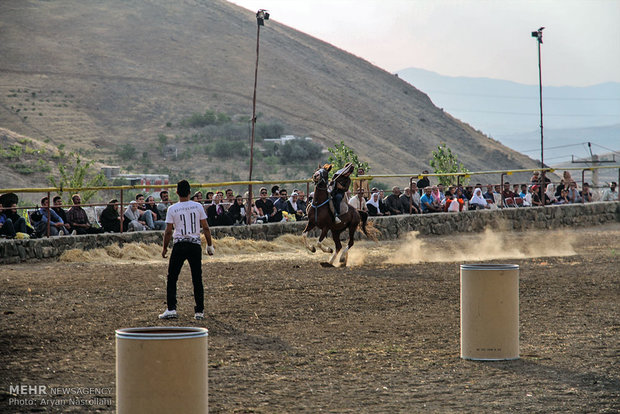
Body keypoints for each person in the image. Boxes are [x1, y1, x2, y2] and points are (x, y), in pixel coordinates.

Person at [159, 179, 214, 320]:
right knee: (197, 278)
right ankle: (199, 311)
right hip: (195, 244)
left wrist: (165, 248)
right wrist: (209, 245)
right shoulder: (197, 206)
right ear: (190, 192)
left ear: (177, 192)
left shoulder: (172, 209)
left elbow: (168, 231)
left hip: (179, 245)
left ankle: (171, 308)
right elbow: (206, 227)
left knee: (172, 277)